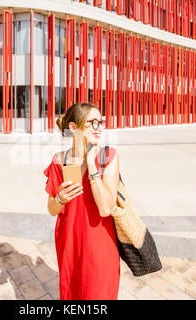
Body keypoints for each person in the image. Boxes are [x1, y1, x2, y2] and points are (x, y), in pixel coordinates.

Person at [43, 102, 120, 300]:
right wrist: (60, 197)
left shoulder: (107, 156)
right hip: (69, 245)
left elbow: (105, 208)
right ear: (74, 128)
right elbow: (52, 209)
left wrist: (93, 166)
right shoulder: (59, 160)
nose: (99, 127)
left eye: (100, 122)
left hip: (100, 247)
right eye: (92, 122)